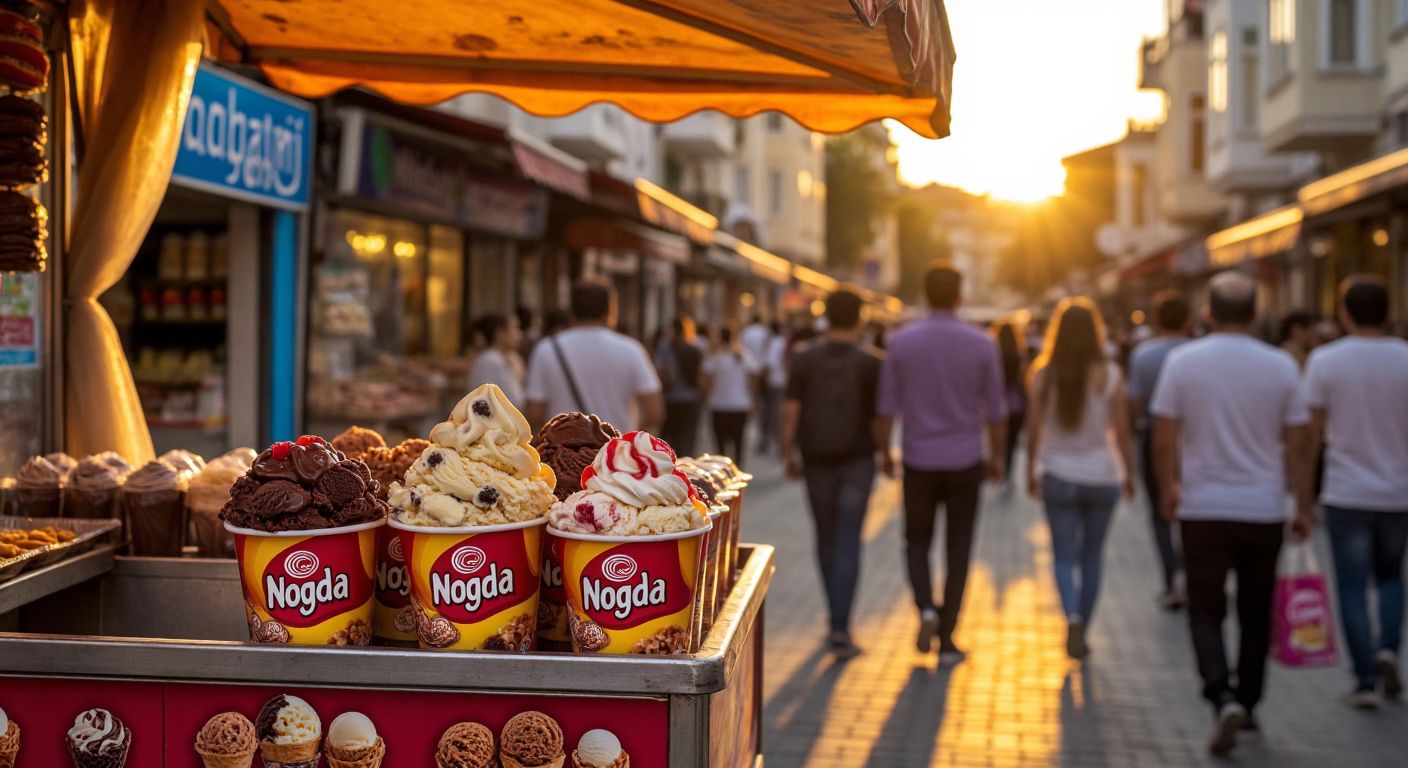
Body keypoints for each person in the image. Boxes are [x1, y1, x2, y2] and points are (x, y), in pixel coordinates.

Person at [1151, 271, 1314, 757]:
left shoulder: (1183, 362)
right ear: (1257, 313)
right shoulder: (1282, 365)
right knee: (1255, 609)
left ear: (1208, 312)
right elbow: (1300, 443)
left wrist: (1168, 488)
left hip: (1202, 505)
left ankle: (1220, 693)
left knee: (1204, 608)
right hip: (1262, 507)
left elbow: (1163, 437)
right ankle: (1248, 699)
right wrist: (1302, 503)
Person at [877, 261, 1007, 660]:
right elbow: (997, 410)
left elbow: (886, 406)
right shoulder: (983, 343)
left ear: (924, 294)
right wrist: (998, 456)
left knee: (916, 540)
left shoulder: (901, 341)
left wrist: (884, 452)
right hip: (966, 459)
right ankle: (948, 636)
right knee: (959, 546)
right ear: (959, 295)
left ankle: (925, 607)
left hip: (918, 458)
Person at [1304, 276, 1408, 709]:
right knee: (1390, 576)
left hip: (1346, 489)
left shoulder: (1326, 361)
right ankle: (1388, 649)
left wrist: (1302, 493)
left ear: (1344, 312)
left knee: (1350, 585)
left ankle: (1364, 677)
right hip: (1398, 490)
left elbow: (1310, 433)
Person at [1026, 298, 1134, 660]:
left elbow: (1034, 431)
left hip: (1058, 473)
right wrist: (1130, 474)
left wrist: (1030, 470)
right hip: (1102, 476)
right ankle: (1083, 626)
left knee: (1063, 556)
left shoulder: (1044, 374)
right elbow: (1121, 432)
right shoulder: (1112, 374)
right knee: (1092, 557)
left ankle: (1070, 615)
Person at [780, 289, 885, 659]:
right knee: (849, 539)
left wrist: (787, 452)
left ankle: (832, 617)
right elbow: (878, 419)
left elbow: (790, 410)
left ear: (825, 316)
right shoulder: (872, 362)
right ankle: (841, 626)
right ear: (860, 318)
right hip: (858, 460)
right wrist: (886, 453)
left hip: (816, 458)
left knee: (825, 537)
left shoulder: (804, 359)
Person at [525, 279, 663, 432]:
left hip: (561, 452)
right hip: (615, 451)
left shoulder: (546, 349)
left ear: (572, 312)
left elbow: (534, 413)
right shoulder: (631, 350)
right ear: (610, 312)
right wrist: (630, 443)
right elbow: (654, 412)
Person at [1127, 291, 1191, 610]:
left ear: (1156, 320)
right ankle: (1192, 577)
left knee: (1160, 513)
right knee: (1192, 511)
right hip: (1193, 439)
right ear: (1189, 321)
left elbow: (1136, 401)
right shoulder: (1196, 353)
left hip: (1154, 436)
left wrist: (1140, 423)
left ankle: (1172, 579)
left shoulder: (1143, 355)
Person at [701, 325, 760, 463]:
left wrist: (706, 395)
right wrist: (751, 397)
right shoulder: (744, 355)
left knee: (720, 444)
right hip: (740, 404)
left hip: (718, 404)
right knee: (738, 442)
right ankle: (738, 471)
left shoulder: (714, 356)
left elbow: (704, 380)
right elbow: (755, 375)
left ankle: (723, 473)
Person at [656, 314, 705, 456]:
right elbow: (701, 377)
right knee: (687, 439)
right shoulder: (695, 349)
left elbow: (662, 373)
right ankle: (686, 469)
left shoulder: (665, 348)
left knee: (671, 440)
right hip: (691, 399)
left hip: (671, 399)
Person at [992, 320, 1027, 489]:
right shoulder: (1018, 356)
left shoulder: (994, 355)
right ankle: (1008, 473)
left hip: (997, 403)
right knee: (1012, 442)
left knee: (998, 440)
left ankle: (997, 466)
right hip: (1015, 405)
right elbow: (1022, 382)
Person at [467, 312, 526, 406]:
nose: (518, 334)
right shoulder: (490, 361)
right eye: (514, 328)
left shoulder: (501, 359)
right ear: (499, 334)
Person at [755, 321, 788, 455]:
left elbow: (768, 364)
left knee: (769, 413)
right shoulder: (782, 342)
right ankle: (777, 443)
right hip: (780, 382)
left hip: (774, 382)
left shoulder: (772, 343)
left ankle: (769, 442)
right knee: (776, 414)